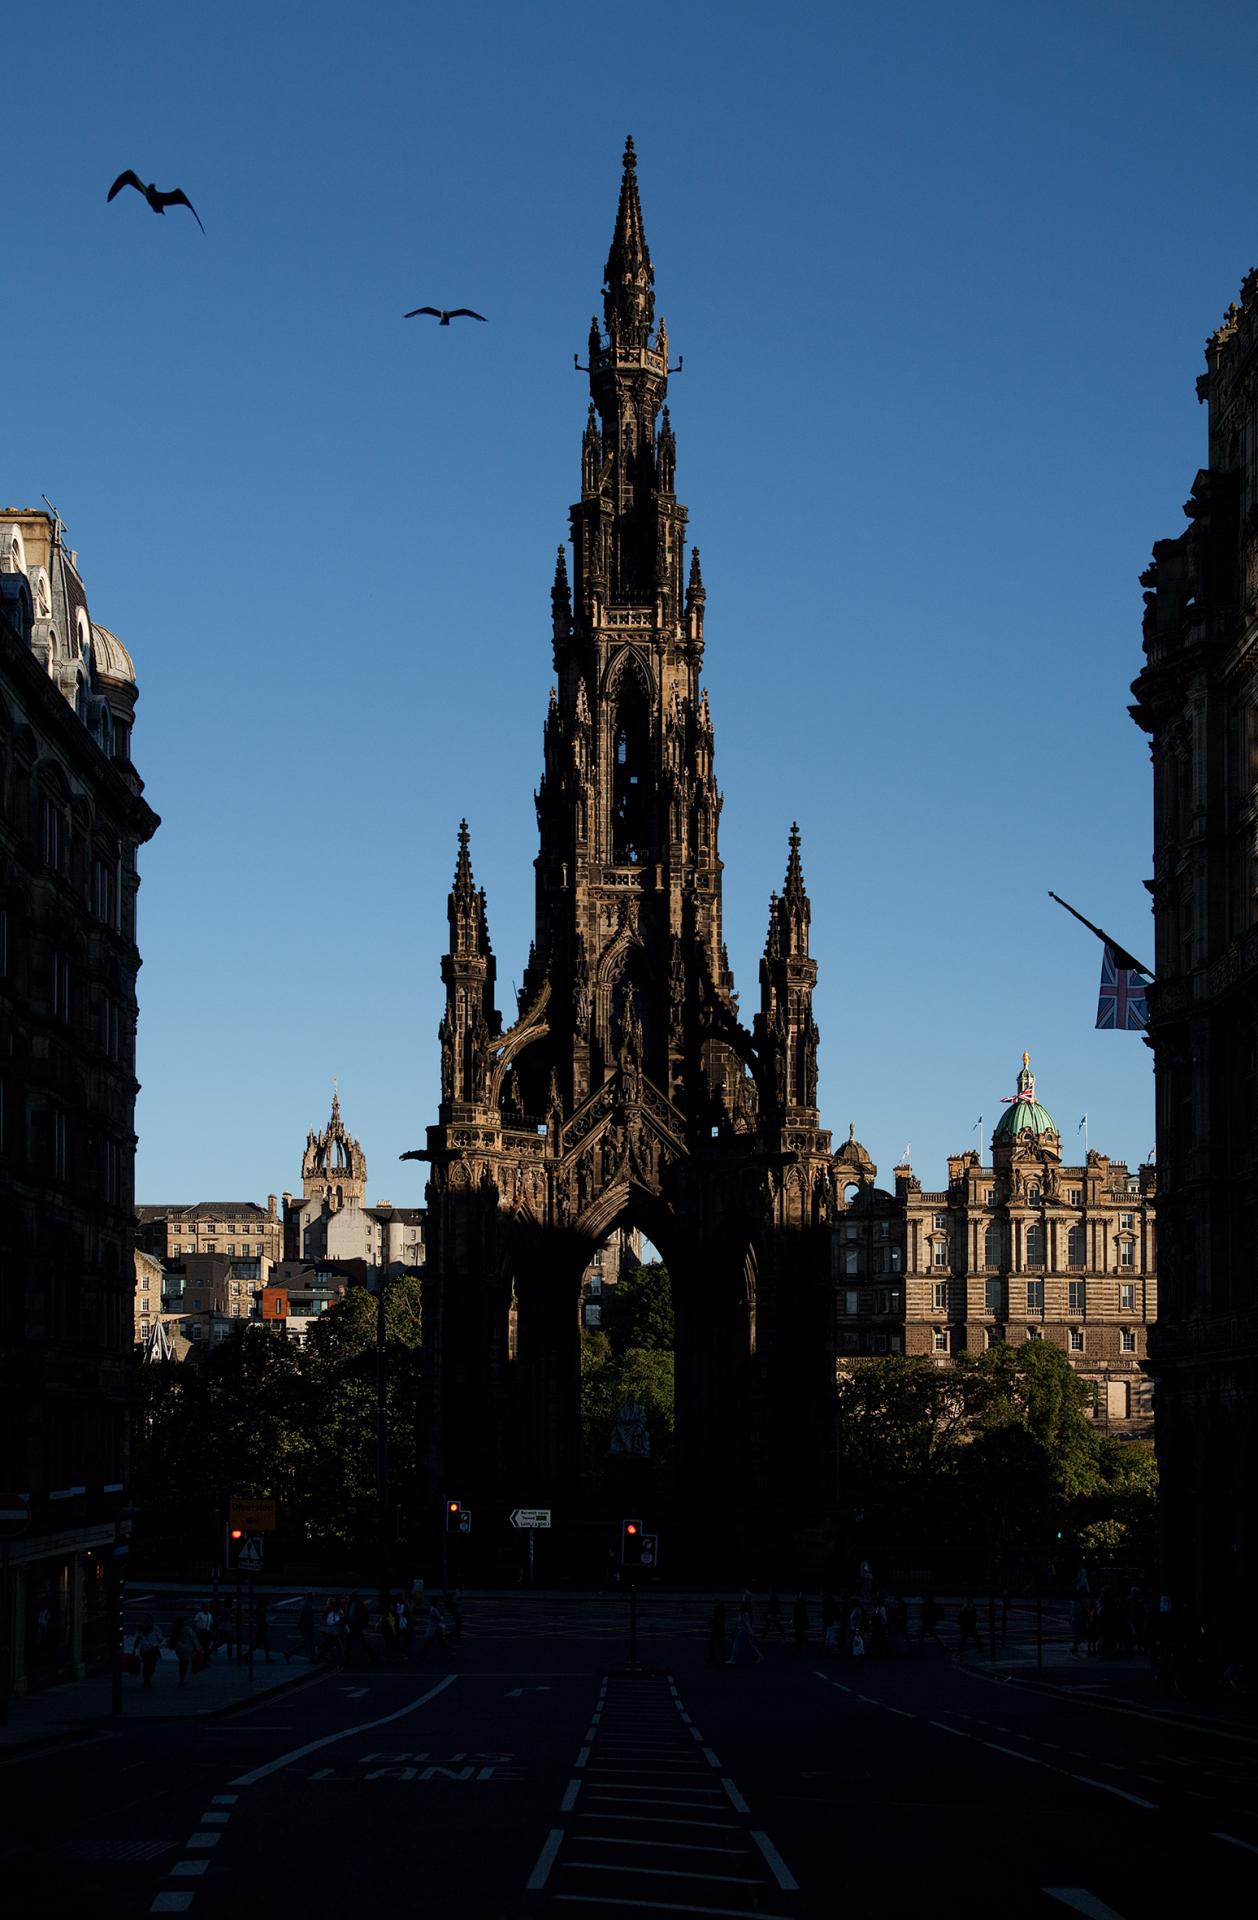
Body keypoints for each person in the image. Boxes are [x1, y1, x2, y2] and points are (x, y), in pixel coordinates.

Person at [168, 1614, 199, 1685]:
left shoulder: (175, 1629)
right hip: (187, 1649)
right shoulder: (187, 1629)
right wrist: (197, 1648)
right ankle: (182, 1675)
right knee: (185, 1662)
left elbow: (172, 1639)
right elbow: (193, 1639)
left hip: (179, 1649)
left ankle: (182, 1676)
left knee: (182, 1662)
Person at [133, 1615, 162, 1688]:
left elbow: (137, 1639)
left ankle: (146, 1677)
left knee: (148, 1664)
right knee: (150, 1663)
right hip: (151, 1648)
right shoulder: (155, 1628)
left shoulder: (142, 1629)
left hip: (147, 1648)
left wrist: (134, 1649)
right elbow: (159, 1639)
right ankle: (147, 1677)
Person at [288, 1594, 316, 1664]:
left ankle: (289, 1653)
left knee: (306, 1643)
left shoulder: (303, 1604)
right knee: (310, 1643)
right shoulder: (308, 1606)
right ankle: (312, 1658)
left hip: (303, 1626)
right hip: (307, 1627)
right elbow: (309, 1619)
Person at [957, 1597, 982, 1661]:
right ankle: (980, 1649)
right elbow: (975, 1618)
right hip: (970, 1627)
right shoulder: (971, 1609)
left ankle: (959, 1651)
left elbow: (960, 1619)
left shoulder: (964, 1609)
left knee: (964, 1639)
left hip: (966, 1627)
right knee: (975, 1638)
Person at [251, 1593, 273, 1663]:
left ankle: (267, 1657)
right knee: (263, 1643)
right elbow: (261, 1619)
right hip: (262, 1628)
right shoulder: (261, 1610)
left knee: (259, 1644)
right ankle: (267, 1657)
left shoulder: (259, 1610)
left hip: (261, 1628)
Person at [707, 1600, 727, 1664]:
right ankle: (721, 1657)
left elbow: (716, 1618)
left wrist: (711, 1622)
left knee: (715, 1644)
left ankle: (713, 1657)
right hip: (719, 1629)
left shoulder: (717, 1610)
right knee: (719, 1644)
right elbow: (717, 1619)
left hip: (717, 1629)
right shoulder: (721, 1610)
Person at [791, 1592, 809, 1656]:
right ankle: (800, 1648)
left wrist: (793, 1620)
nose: (795, 1597)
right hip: (800, 1623)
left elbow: (798, 1613)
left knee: (798, 1636)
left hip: (799, 1623)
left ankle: (799, 1649)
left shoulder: (799, 1604)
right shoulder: (800, 1603)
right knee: (799, 1636)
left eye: (796, 1595)